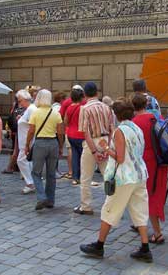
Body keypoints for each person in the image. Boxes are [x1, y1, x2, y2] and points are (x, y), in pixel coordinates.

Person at [79, 98, 152, 262]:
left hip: (125, 177)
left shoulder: (121, 131)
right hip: (139, 174)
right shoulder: (136, 128)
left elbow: (120, 157)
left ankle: (99, 245)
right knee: (139, 210)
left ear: (116, 114)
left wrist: (105, 147)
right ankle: (145, 247)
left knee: (110, 209)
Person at [132, 94, 168, 244]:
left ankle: (157, 233)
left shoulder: (134, 122)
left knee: (147, 196)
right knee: (156, 193)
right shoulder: (156, 118)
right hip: (160, 161)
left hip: (146, 162)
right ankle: (144, 225)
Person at [74, 82, 114, 215]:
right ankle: (112, 204)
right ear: (97, 93)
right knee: (108, 175)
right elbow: (111, 129)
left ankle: (86, 206)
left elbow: (86, 133)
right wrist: (108, 148)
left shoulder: (84, 109)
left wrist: (94, 151)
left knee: (86, 176)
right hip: (105, 139)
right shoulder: (106, 107)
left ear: (85, 94)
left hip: (92, 141)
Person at [25, 89, 64, 210]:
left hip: (40, 143)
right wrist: (61, 146)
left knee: (36, 173)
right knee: (51, 174)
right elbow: (60, 132)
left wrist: (27, 144)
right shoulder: (55, 113)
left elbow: (31, 131)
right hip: (53, 143)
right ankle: (50, 200)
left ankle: (41, 197)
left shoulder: (36, 113)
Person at [60, 86, 84, 180]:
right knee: (82, 156)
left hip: (70, 134)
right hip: (81, 134)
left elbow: (65, 122)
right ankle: (82, 175)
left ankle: (75, 177)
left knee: (74, 155)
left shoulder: (69, 107)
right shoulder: (82, 108)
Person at [16, 89, 37, 194]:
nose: (19, 103)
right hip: (25, 141)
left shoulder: (31, 109)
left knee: (21, 161)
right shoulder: (29, 109)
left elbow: (33, 126)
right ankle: (31, 182)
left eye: (20, 101)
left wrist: (28, 143)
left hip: (27, 141)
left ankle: (30, 183)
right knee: (27, 162)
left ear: (25, 99)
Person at [2, 97, 24, 174]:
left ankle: (11, 167)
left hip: (16, 131)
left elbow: (10, 118)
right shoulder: (21, 107)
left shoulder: (16, 107)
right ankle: (12, 167)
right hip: (17, 131)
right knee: (16, 150)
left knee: (16, 150)